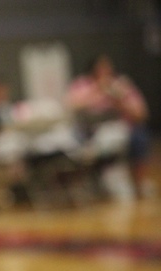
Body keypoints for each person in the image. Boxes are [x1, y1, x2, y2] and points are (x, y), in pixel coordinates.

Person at [66, 54, 153, 199]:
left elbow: (141, 113)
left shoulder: (121, 85)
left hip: (120, 130)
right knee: (75, 143)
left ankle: (139, 184)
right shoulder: (82, 85)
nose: (105, 72)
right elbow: (71, 105)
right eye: (100, 69)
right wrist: (97, 91)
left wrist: (119, 100)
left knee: (139, 137)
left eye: (108, 68)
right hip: (88, 130)